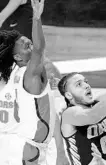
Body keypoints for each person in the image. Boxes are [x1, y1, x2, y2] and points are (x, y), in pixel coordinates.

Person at [0, 0, 68, 164]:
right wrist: (37, 18)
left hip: (17, 147)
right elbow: (39, 49)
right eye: (24, 45)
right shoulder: (30, 74)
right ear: (17, 57)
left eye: (26, 40)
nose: (27, 42)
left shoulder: (11, 74)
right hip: (26, 148)